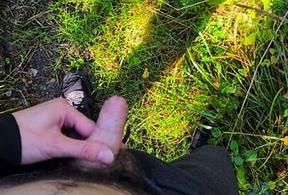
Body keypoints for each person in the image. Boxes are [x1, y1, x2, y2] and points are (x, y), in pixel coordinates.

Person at [0, 72, 239, 195]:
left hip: (21, 171)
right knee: (213, 167)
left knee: (210, 167)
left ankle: (76, 130)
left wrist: (8, 140)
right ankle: (203, 153)